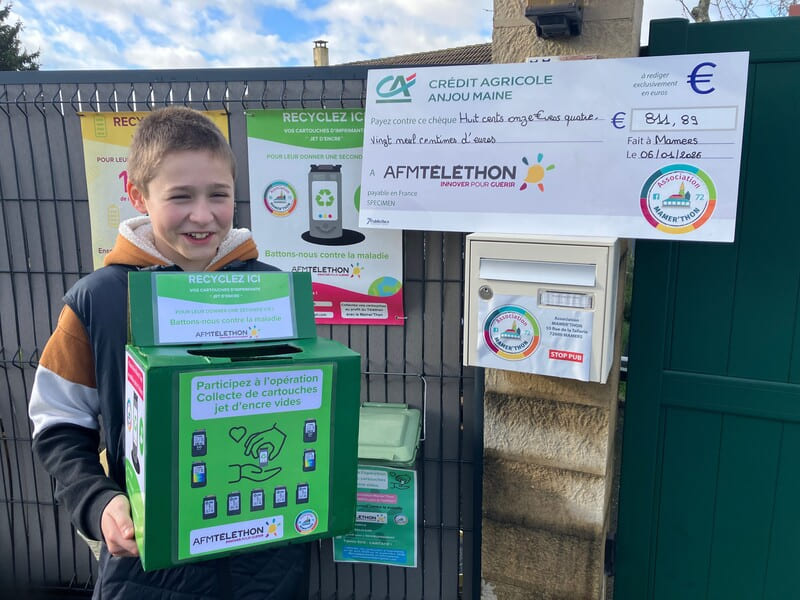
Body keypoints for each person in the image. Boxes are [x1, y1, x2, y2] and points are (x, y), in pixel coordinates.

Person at [28, 107, 308, 598]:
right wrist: (98, 501)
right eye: (180, 197)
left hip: (268, 565)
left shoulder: (272, 291)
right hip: (148, 571)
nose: (203, 215)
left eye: (218, 195)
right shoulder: (97, 301)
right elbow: (58, 425)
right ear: (138, 195)